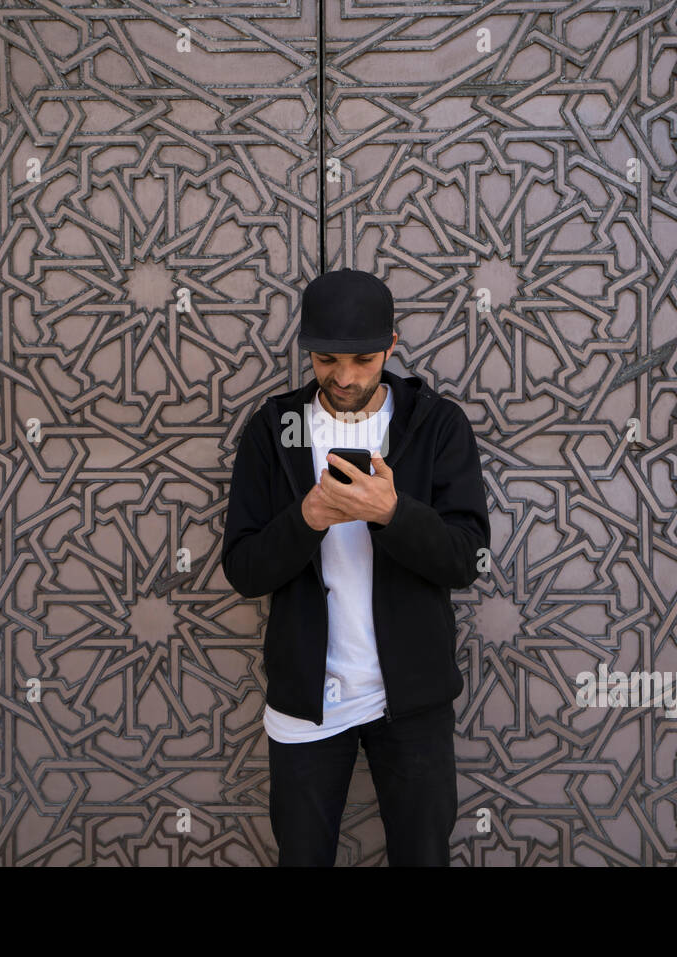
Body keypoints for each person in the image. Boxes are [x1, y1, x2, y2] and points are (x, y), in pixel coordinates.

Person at [221, 268, 491, 866]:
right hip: (306, 702)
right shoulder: (275, 429)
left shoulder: (436, 425)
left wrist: (393, 512)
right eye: (325, 360)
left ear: (392, 347)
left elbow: (466, 558)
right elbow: (243, 570)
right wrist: (309, 516)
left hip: (413, 700)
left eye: (364, 359)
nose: (344, 378)